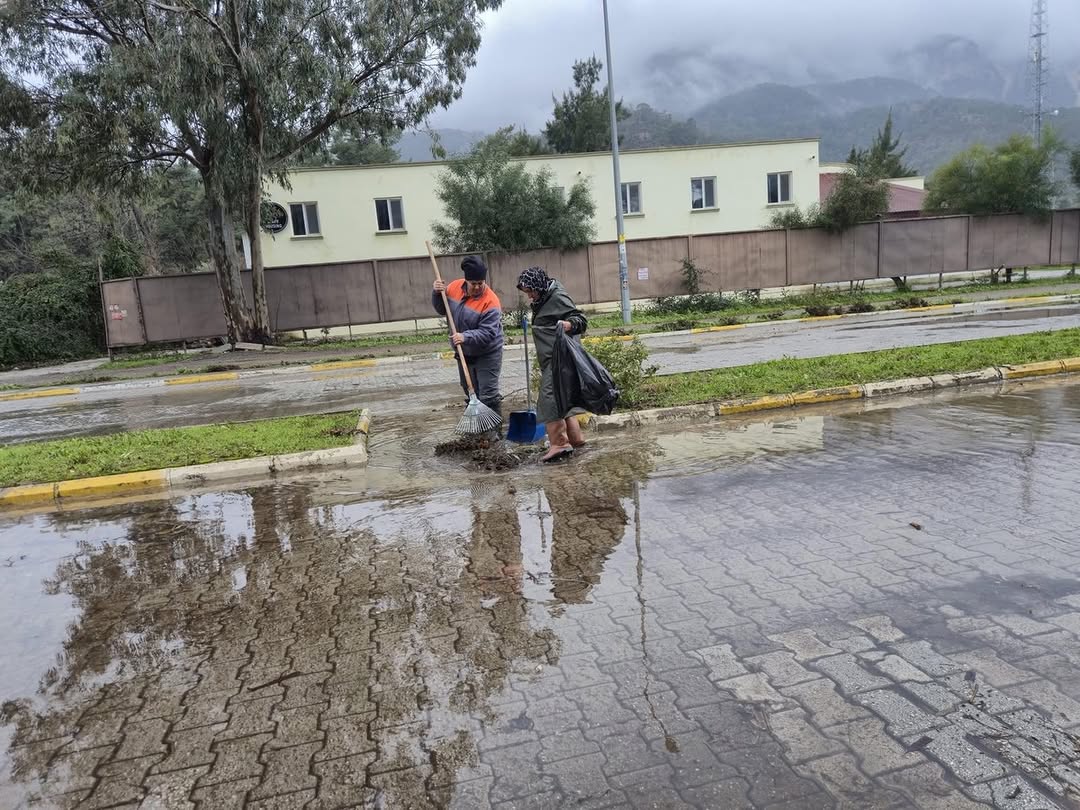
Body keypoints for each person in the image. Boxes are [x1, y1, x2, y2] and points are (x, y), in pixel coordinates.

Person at [516, 266, 588, 463]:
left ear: (539, 285)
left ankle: (559, 444)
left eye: (531, 291)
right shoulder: (544, 297)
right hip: (552, 359)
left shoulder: (557, 296)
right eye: (526, 292)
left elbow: (580, 319)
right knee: (562, 399)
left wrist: (569, 325)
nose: (529, 296)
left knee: (548, 399)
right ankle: (576, 439)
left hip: (560, 358)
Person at [433, 255, 504, 427]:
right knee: (471, 393)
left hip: (487, 353)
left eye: (481, 282)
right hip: (463, 352)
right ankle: (478, 430)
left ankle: (494, 434)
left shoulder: (491, 302)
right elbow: (442, 309)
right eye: (474, 283)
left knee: (488, 395)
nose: (478, 287)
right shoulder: (453, 288)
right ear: (466, 280)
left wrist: (465, 336)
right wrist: (437, 293)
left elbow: (487, 334)